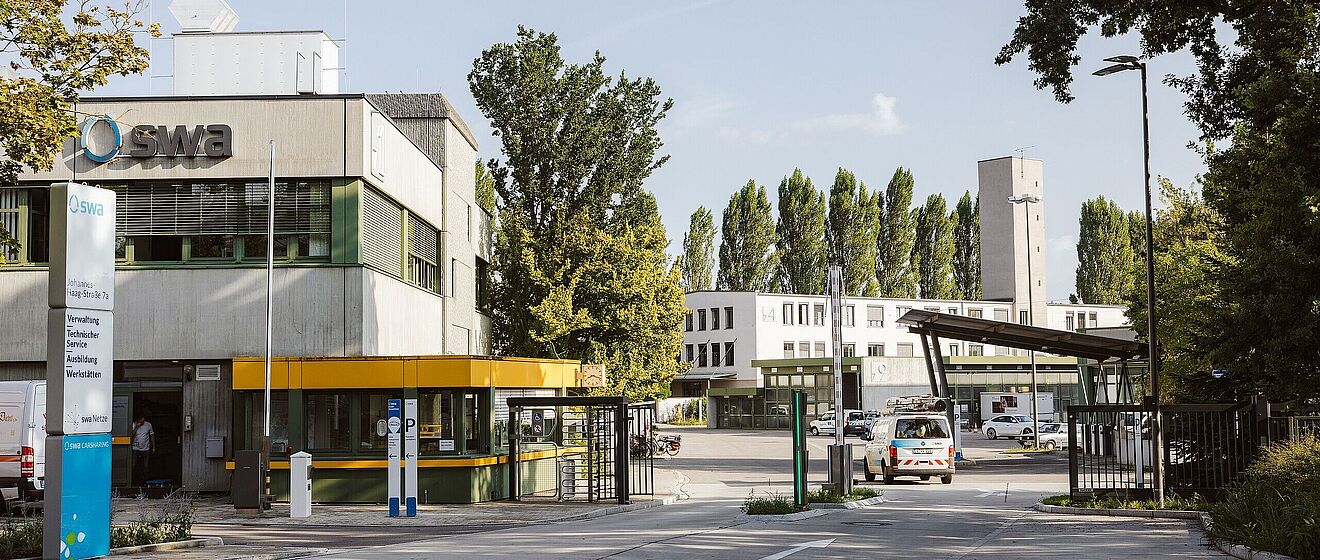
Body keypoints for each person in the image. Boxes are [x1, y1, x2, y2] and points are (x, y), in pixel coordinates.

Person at [131, 415, 154, 486]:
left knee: (145, 466)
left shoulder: (148, 425)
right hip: (135, 448)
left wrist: (153, 447)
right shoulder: (133, 424)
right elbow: (131, 435)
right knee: (133, 465)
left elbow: (152, 436)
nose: (142, 421)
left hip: (146, 448)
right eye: (140, 420)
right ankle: (133, 480)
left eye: (143, 419)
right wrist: (136, 427)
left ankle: (144, 481)